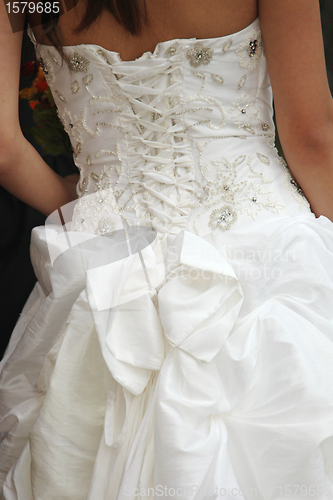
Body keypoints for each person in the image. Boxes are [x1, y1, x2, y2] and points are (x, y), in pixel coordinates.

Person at [0, 0, 333, 498]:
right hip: (263, 260)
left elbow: (4, 149)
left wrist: (91, 210)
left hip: (107, 275)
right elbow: (312, 137)